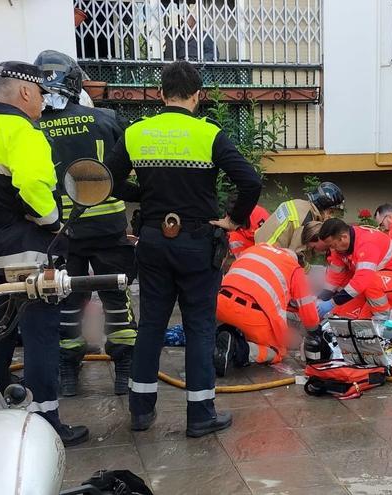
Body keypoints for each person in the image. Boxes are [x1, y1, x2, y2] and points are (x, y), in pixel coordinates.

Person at [106, 61, 262, 434]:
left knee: (151, 326)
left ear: (161, 94)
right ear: (197, 96)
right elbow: (249, 182)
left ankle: (141, 412)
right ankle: (200, 415)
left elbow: (106, 180)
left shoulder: (137, 132)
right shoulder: (208, 134)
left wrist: (140, 193)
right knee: (199, 327)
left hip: (154, 241)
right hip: (197, 243)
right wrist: (234, 220)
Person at [0, 61, 89, 446]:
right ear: (26, 92)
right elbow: (31, 186)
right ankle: (46, 423)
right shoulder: (25, 133)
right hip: (28, 254)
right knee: (41, 337)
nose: (44, 100)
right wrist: (53, 223)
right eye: (42, 93)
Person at [34, 50, 137, 398]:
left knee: (66, 302)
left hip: (59, 232)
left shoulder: (31, 127)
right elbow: (127, 171)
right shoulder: (106, 118)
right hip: (108, 227)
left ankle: (67, 371)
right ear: (75, 83)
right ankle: (125, 369)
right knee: (116, 297)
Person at [214, 243, 319, 376]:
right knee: (277, 351)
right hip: (251, 314)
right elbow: (307, 309)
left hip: (220, 304)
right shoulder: (294, 268)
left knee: (236, 327)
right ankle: (238, 349)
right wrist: (313, 331)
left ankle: (218, 342)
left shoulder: (254, 249)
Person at [317, 218, 392, 319]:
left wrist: (331, 303)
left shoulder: (367, 244)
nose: (332, 250)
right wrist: (320, 300)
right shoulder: (341, 246)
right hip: (381, 282)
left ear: (343, 237)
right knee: (341, 313)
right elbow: (334, 278)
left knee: (364, 322)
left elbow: (362, 281)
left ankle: (382, 322)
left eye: (333, 245)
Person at [254, 181, 344, 253]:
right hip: (269, 253)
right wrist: (308, 271)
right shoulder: (307, 220)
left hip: (257, 245)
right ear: (323, 206)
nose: (330, 216)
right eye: (331, 212)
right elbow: (294, 254)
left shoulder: (298, 203)